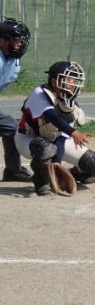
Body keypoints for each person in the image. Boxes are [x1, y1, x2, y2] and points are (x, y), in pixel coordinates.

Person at [14, 61, 95, 196]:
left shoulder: (69, 104)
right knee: (46, 148)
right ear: (54, 82)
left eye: (74, 81)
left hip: (53, 141)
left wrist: (57, 164)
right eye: (69, 80)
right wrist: (74, 132)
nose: (73, 84)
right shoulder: (40, 94)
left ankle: (73, 174)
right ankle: (41, 181)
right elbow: (52, 117)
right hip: (28, 138)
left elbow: (61, 138)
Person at [0, 17, 32, 183]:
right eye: (15, 39)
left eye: (20, 39)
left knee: (12, 128)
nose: (19, 43)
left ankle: (13, 171)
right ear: (2, 41)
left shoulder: (12, 60)